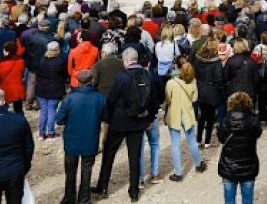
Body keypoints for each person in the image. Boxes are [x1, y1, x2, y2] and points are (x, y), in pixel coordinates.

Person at [93, 47, 157, 202]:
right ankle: (134, 191)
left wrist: (107, 119)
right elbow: (153, 100)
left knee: (109, 153)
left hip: (119, 122)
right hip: (139, 121)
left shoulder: (122, 77)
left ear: (127, 60)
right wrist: (150, 119)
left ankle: (103, 186)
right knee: (134, 156)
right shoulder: (147, 75)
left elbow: (111, 99)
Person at [56, 69, 106, 204]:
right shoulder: (100, 98)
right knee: (87, 170)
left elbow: (59, 119)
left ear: (78, 81)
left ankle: (69, 198)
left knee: (70, 171)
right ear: (92, 81)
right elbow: (106, 117)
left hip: (72, 139)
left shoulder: (69, 98)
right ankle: (84, 199)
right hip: (90, 138)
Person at [218, 91, 262, 204]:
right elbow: (257, 134)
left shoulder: (226, 121)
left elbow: (221, 139)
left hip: (228, 165)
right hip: (248, 166)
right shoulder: (253, 121)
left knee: (229, 200)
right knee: (247, 200)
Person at [163, 61, 204, 181]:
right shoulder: (193, 82)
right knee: (192, 141)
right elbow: (194, 98)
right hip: (187, 113)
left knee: (175, 144)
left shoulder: (171, 83)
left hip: (174, 113)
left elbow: (168, 99)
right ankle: (198, 164)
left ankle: (178, 172)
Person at [194, 40, 224, 149]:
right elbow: (219, 78)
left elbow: (195, 73)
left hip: (201, 89)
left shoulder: (198, 60)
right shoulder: (216, 62)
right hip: (212, 91)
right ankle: (207, 140)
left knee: (202, 116)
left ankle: (198, 139)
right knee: (210, 117)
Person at [36, 41, 67, 138]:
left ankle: (41, 132)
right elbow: (64, 75)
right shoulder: (60, 62)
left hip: (42, 88)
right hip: (55, 89)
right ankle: (50, 132)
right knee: (52, 111)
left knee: (44, 111)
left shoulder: (42, 60)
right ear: (57, 50)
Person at [0, 41, 27, 114]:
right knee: (19, 110)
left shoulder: (1, 63)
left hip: (5, 89)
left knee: (3, 110)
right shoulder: (21, 61)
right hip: (18, 88)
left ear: (6, 51)